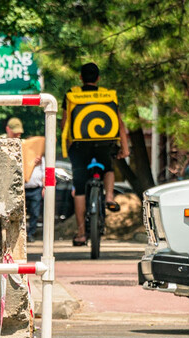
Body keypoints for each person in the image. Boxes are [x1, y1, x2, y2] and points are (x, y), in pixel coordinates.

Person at [61, 62, 130, 246]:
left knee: (80, 187)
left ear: (81, 77)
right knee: (107, 167)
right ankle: (108, 196)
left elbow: (65, 124)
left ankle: (82, 233)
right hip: (104, 143)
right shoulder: (107, 95)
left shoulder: (72, 95)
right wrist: (125, 148)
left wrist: (68, 147)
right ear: (98, 78)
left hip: (79, 145)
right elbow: (120, 124)